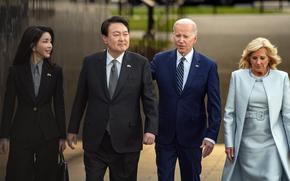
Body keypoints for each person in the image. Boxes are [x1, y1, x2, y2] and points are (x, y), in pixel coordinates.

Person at [67, 16, 158, 181]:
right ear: (105, 39)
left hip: (127, 140)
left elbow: (150, 99)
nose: (122, 38)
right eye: (116, 34)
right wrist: (72, 128)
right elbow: (81, 97)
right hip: (96, 139)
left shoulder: (140, 63)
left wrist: (151, 129)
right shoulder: (91, 62)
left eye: (125, 34)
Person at [151, 18, 221, 181]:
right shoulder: (160, 60)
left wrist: (211, 134)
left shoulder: (208, 65)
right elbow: (140, 81)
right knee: (164, 177)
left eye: (186, 36)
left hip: (193, 135)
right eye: (178, 35)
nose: (181, 40)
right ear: (172, 37)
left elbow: (214, 104)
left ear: (194, 38)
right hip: (164, 134)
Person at [0, 26, 66, 181]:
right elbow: (8, 104)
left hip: (48, 133)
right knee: (19, 174)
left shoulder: (55, 71)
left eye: (51, 41)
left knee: (46, 175)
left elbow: (59, 104)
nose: (50, 45)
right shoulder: (16, 71)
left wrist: (62, 135)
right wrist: (3, 135)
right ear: (33, 45)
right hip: (21, 132)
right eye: (45, 41)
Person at [222, 37, 290, 181]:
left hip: (273, 143)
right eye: (254, 58)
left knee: (272, 178)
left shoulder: (282, 78)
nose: (258, 62)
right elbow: (229, 113)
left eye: (262, 58)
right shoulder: (237, 77)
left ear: (269, 59)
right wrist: (229, 142)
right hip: (245, 142)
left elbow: (287, 115)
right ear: (249, 58)